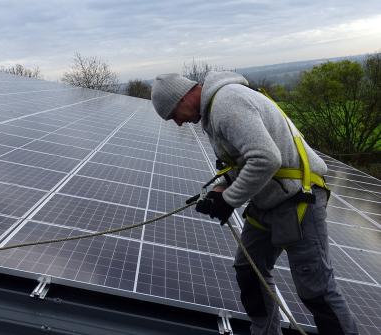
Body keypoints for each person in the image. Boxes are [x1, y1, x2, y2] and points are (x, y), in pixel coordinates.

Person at [150, 72, 358, 335]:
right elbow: (243, 160)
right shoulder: (215, 110)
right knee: (249, 271)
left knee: (316, 290)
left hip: (298, 199)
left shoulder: (227, 102)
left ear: (182, 97)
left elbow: (265, 158)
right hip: (268, 201)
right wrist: (220, 187)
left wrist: (228, 200)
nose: (178, 123)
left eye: (173, 114)